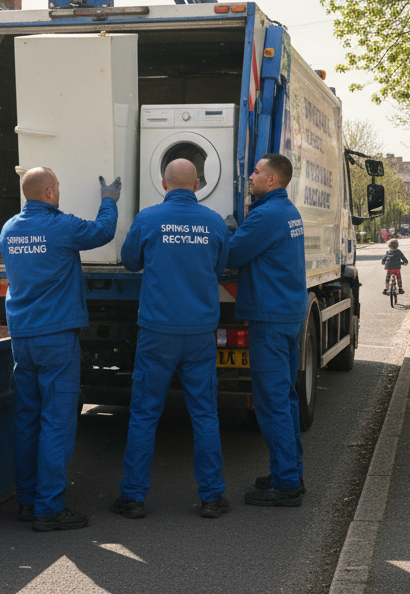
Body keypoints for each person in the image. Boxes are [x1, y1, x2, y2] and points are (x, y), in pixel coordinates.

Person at [0, 167, 121, 532]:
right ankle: (49, 508)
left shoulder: (10, 229)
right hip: (56, 338)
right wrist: (108, 201)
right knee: (57, 422)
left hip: (23, 338)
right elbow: (103, 232)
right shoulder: (61, 227)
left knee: (27, 420)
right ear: (51, 192)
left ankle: (28, 501)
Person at [111, 159, 231, 520]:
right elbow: (220, 265)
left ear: (164, 183)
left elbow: (130, 261)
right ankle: (211, 498)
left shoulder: (148, 219)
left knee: (145, 414)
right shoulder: (214, 221)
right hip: (198, 333)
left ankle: (133, 498)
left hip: (157, 333)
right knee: (205, 414)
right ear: (197, 184)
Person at [225, 153, 308, 507]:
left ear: (272, 180)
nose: (252, 176)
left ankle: (286, 484)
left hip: (269, 320)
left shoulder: (266, 216)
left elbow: (231, 256)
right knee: (285, 399)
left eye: (257, 172)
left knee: (272, 402)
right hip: (288, 315)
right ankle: (288, 472)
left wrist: (228, 228)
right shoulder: (287, 211)